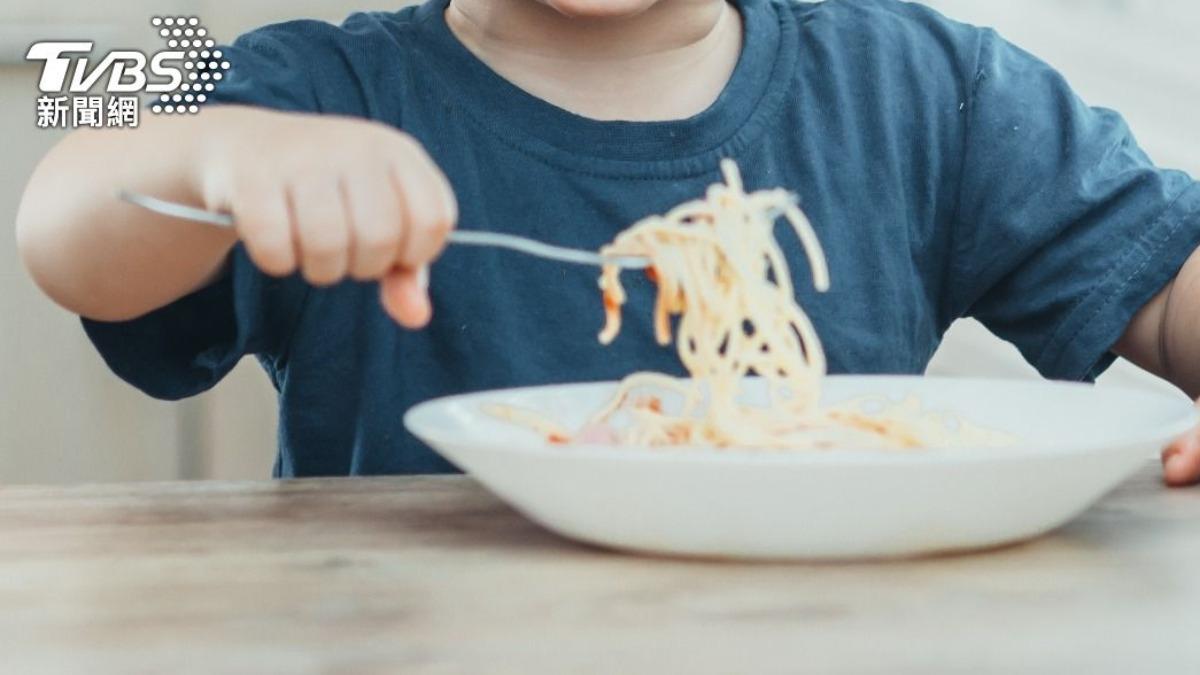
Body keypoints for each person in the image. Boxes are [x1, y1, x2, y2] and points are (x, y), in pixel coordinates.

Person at [15, 0, 1200, 482]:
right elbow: (67, 212)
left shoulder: (932, 84)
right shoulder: (307, 80)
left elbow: (1165, 285)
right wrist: (215, 155)